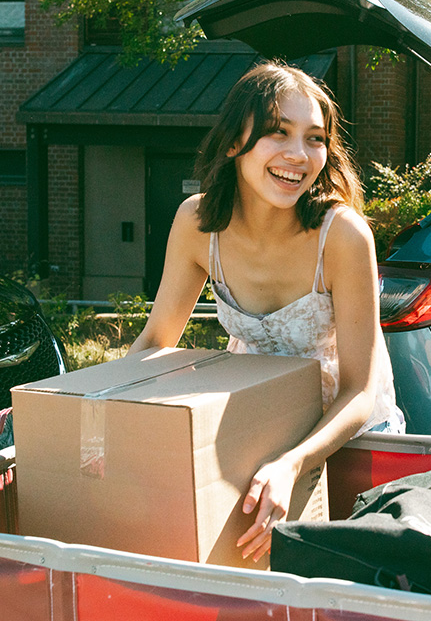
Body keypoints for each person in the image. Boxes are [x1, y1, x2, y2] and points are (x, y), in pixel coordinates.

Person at [126, 62, 405, 563]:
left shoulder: (343, 236)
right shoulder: (196, 222)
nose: (299, 155)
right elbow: (153, 344)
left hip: (349, 439)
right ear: (236, 141)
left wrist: (291, 464)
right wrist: (96, 409)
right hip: (255, 429)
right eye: (279, 132)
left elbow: (360, 392)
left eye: (315, 138)